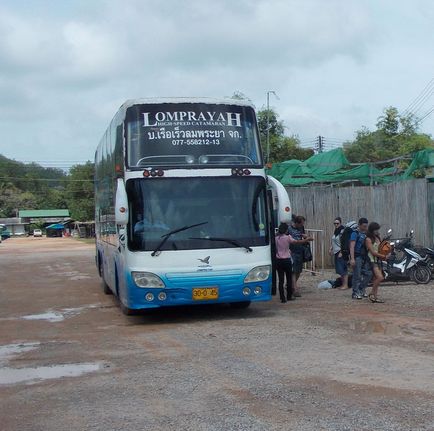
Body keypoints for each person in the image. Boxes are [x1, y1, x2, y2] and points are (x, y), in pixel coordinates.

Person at [275, 222, 312, 303]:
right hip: (287, 260)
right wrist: (306, 240)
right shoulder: (288, 237)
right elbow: (296, 242)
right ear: (286, 230)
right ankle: (289, 296)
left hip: (278, 260)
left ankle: (282, 297)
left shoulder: (276, 238)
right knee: (289, 279)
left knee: (281, 280)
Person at [288, 216, 313, 297]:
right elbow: (291, 241)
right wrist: (305, 240)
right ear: (296, 223)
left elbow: (301, 235)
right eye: (301, 223)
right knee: (294, 271)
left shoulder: (301, 228)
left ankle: (291, 285)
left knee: (298, 271)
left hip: (300, 251)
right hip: (292, 252)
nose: (302, 225)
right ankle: (295, 289)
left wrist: (306, 237)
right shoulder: (289, 229)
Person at [365, 222, 389, 303]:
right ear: (372, 230)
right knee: (380, 277)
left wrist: (387, 253)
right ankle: (372, 293)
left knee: (376, 279)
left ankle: (375, 297)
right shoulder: (368, 239)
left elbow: (382, 248)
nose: (377, 231)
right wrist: (383, 256)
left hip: (378, 260)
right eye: (376, 229)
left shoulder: (378, 238)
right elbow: (373, 252)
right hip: (372, 260)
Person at [349, 217, 369, 300]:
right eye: (364, 226)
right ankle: (355, 292)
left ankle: (361, 289)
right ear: (359, 225)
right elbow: (352, 246)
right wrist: (352, 258)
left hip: (365, 257)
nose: (365, 228)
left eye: (366, 226)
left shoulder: (365, 234)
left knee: (368, 274)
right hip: (357, 257)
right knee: (357, 275)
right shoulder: (355, 233)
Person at [329, 217, 348, 290]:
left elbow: (344, 243)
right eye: (335, 223)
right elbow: (333, 241)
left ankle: (345, 285)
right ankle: (343, 284)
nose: (336, 225)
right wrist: (331, 248)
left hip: (341, 252)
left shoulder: (342, 231)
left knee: (343, 268)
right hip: (336, 252)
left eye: (337, 223)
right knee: (340, 270)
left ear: (340, 223)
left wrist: (341, 252)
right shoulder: (336, 231)